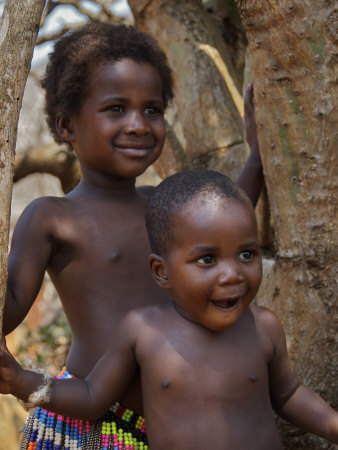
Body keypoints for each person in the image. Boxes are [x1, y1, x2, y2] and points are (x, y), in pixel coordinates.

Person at [3, 22, 263, 449]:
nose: (139, 125)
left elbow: (227, 226)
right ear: (67, 125)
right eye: (116, 109)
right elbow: (8, 310)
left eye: (153, 110)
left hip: (176, 420)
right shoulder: (52, 216)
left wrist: (256, 156)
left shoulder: (164, 207)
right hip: (88, 417)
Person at [1, 170, 337, 450]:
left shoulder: (263, 327)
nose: (233, 273)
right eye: (208, 259)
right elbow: (91, 397)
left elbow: (289, 394)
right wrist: (20, 380)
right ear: (162, 272)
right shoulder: (143, 332)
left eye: (247, 254)